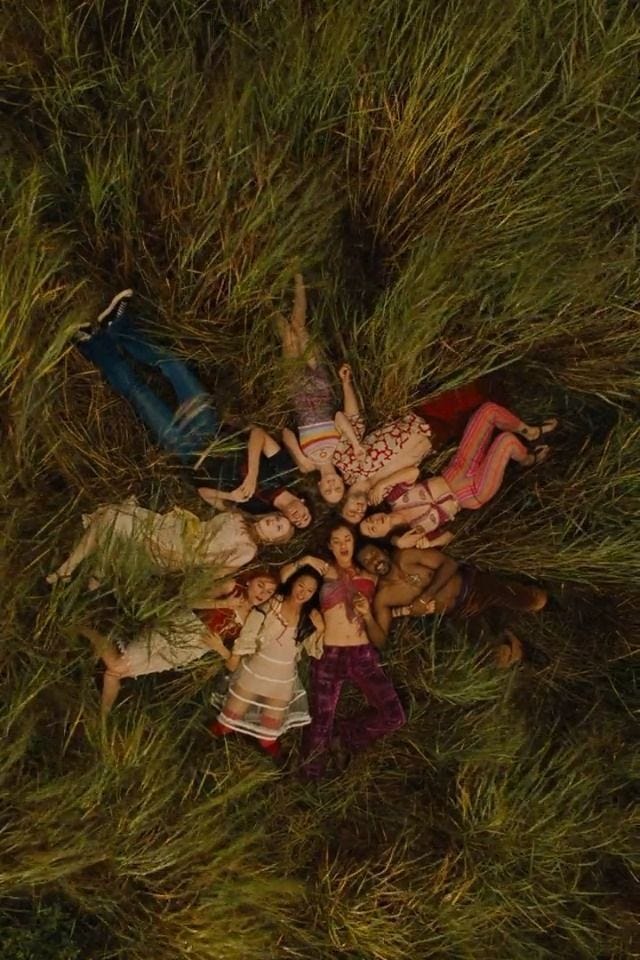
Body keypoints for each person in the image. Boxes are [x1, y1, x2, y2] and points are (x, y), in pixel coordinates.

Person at [74, 289, 311, 528]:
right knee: (174, 365)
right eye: (305, 515)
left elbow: (204, 493)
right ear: (303, 502)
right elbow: (258, 434)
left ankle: (92, 343)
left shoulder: (254, 510)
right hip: (209, 428)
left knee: (138, 393)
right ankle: (118, 326)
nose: (298, 517)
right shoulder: (286, 473)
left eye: (298, 523)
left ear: (289, 524)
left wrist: (229, 496)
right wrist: (251, 475)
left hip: (185, 449)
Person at [76, 569, 279, 715]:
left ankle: (101, 719)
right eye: (260, 585)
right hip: (182, 624)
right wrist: (223, 603)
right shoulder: (231, 587)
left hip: (192, 650)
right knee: (117, 666)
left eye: (269, 592)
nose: (262, 594)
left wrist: (219, 648)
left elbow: (233, 664)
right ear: (249, 581)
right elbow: (188, 600)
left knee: (116, 672)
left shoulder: (253, 621)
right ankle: (84, 629)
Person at [360, 402, 558, 544]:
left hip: (457, 468)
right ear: (381, 537)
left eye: (369, 520)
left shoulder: (394, 499)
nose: (374, 522)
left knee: (488, 411)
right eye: (373, 529)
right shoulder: (413, 533)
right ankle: (527, 460)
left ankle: (531, 432)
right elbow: (451, 535)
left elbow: (412, 472)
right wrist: (428, 544)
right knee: (505, 441)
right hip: (472, 492)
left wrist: (383, 484)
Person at [297, 522, 405, 780]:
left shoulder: (371, 576)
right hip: (330, 654)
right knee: (320, 720)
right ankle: (310, 777)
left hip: (362, 654)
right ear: (329, 546)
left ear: (354, 542)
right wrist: (306, 559)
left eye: (347, 538)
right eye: (336, 541)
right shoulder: (325, 569)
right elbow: (288, 576)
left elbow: (392, 594)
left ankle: (342, 736)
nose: (343, 545)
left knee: (394, 717)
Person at [357, 541, 548, 666]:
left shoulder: (405, 557)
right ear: (367, 570)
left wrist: (424, 598)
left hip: (474, 586)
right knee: (496, 657)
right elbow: (381, 641)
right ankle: (519, 648)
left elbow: (449, 564)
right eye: (367, 562)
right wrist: (367, 615)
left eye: (374, 554)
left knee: (535, 601)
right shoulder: (384, 596)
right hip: (460, 613)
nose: (374, 561)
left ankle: (542, 593)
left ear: (384, 551)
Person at [45, 497, 294, 587]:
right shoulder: (239, 517)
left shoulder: (248, 550)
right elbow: (207, 495)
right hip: (176, 530)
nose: (273, 522)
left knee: (113, 519)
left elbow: (211, 569)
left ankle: (70, 569)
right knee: (115, 518)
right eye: (277, 518)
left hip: (177, 551)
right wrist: (231, 496)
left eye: (278, 528)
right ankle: (91, 569)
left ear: (273, 540)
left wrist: (176, 560)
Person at [210, 566, 325, 758]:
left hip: (282, 679)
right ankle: (208, 749)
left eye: (309, 591)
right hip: (255, 670)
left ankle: (275, 762)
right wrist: (235, 655)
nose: (302, 593)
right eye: (300, 585)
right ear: (292, 583)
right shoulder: (273, 603)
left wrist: (320, 629)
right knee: (225, 724)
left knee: (268, 739)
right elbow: (249, 632)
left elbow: (314, 651)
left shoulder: (309, 617)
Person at [276, 273, 365, 505]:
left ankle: (264, 300)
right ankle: (298, 280)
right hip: (321, 384)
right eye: (338, 488)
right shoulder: (341, 451)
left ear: (320, 487)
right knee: (300, 328)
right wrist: (355, 444)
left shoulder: (307, 465)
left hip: (297, 388)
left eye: (328, 490)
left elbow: (286, 433)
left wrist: (299, 456)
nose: (332, 485)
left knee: (287, 335)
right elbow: (338, 416)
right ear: (342, 481)